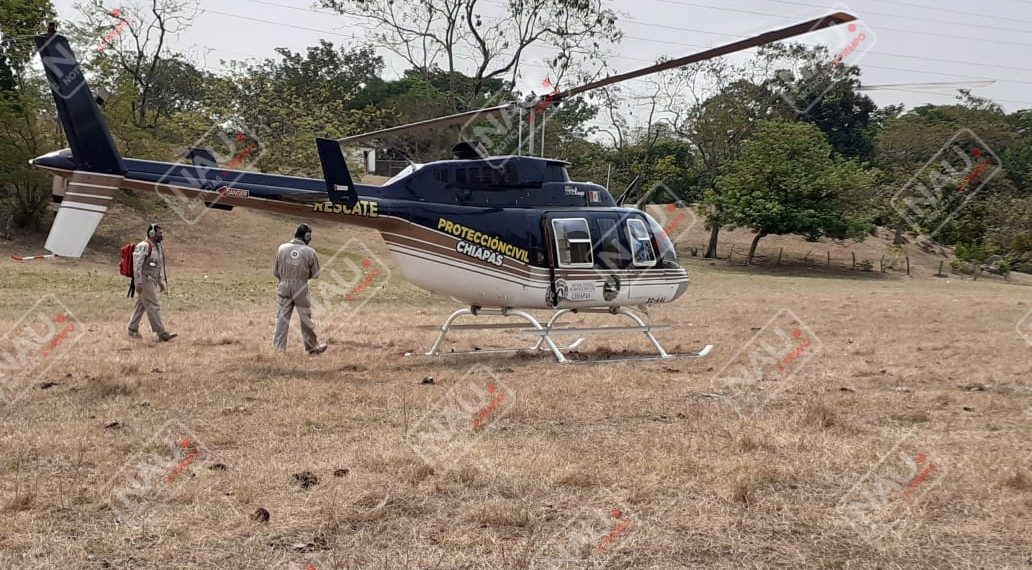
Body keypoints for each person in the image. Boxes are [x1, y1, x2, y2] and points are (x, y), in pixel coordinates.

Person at [273, 223, 327, 355]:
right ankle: (312, 347)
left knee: (282, 318)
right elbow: (315, 274)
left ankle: (278, 349)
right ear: (307, 236)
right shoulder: (310, 252)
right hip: (300, 287)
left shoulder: (282, 248)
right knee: (305, 318)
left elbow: (276, 271)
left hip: (284, 285)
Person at [128, 223, 177, 341]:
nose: (161, 236)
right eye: (159, 233)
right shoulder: (143, 246)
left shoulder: (158, 247)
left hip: (152, 280)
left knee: (141, 305)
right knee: (154, 305)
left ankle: (132, 329)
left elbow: (158, 265)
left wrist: (160, 281)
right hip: (144, 280)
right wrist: (138, 282)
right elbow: (137, 265)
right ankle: (161, 333)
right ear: (152, 233)